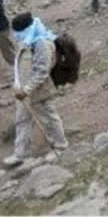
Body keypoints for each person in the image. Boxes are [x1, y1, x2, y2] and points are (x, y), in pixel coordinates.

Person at [4, 13, 68, 168]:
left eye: (18, 32)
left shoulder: (42, 44)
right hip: (23, 93)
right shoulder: (27, 42)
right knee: (22, 122)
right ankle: (20, 154)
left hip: (37, 91)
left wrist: (26, 89)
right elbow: (21, 67)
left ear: (27, 28)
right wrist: (18, 85)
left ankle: (60, 146)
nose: (16, 36)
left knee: (49, 118)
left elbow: (42, 72)